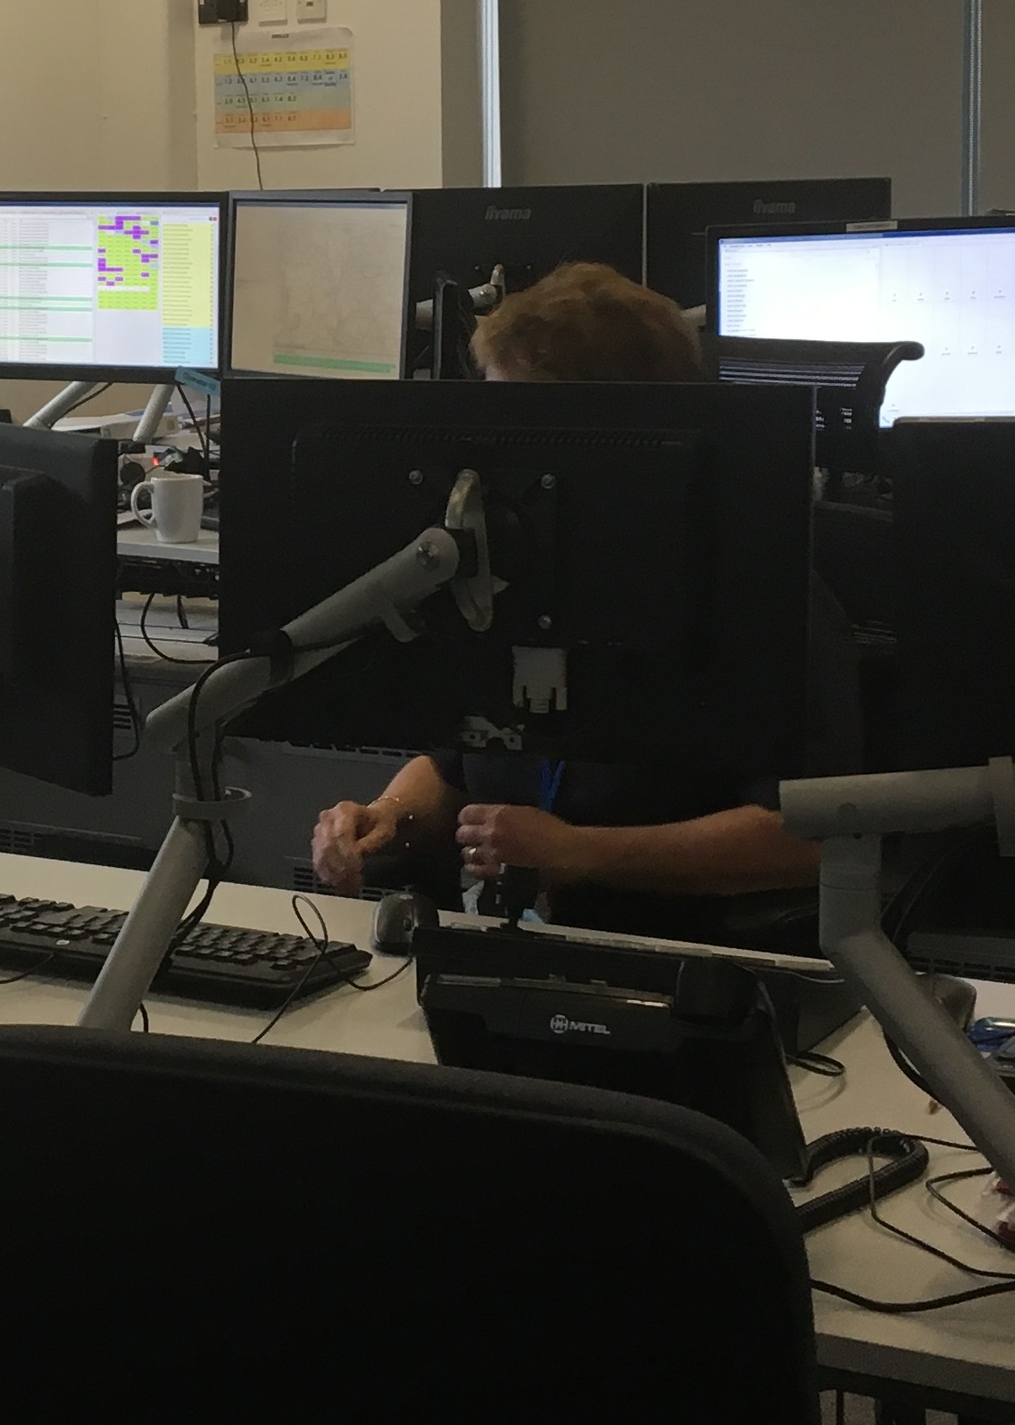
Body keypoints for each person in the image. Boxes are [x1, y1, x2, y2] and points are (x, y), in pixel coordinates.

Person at [306, 260, 823, 940]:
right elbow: (458, 761)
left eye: (518, 422)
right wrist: (388, 816)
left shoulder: (753, 588)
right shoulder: (502, 572)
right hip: (497, 950)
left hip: (687, 959)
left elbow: (811, 837)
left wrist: (582, 853)